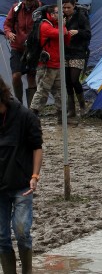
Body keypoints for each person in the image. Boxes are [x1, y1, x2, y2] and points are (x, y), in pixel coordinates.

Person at [0, 77, 43, 274]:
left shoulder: (25, 116)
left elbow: (37, 147)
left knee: (22, 232)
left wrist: (34, 176)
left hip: (22, 185)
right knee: (1, 237)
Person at [29, 5, 75, 123]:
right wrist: (64, 28)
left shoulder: (56, 25)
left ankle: (62, 118)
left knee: (60, 92)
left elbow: (65, 40)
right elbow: (60, 33)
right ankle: (32, 117)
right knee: (42, 92)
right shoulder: (44, 25)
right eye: (57, 12)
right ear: (51, 14)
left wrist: (66, 32)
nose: (61, 14)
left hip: (57, 64)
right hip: (46, 66)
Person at [3, 0, 42, 109]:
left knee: (31, 76)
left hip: (33, 49)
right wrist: (8, 33)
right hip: (17, 47)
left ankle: (32, 108)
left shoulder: (41, 9)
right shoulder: (16, 8)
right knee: (16, 76)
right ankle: (19, 103)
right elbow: (7, 24)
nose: (28, 2)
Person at [62, 0, 90, 120]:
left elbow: (88, 33)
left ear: (74, 6)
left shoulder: (81, 16)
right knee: (67, 81)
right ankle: (71, 109)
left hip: (78, 52)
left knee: (74, 79)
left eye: (68, 7)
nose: (66, 10)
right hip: (65, 52)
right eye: (64, 7)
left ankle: (82, 105)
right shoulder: (61, 17)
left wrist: (78, 32)